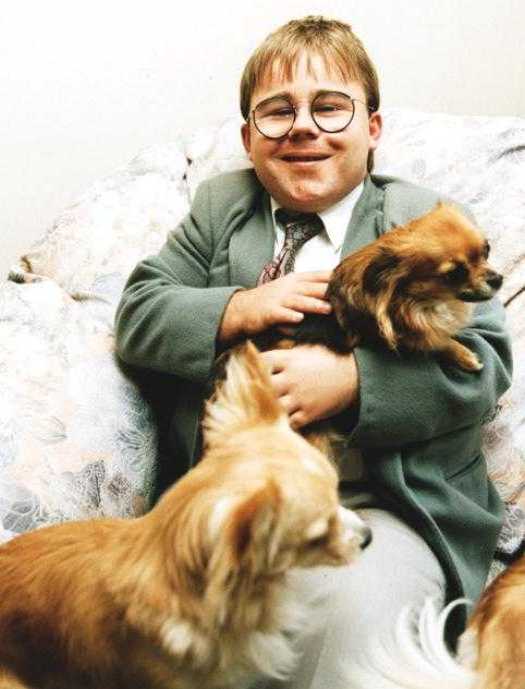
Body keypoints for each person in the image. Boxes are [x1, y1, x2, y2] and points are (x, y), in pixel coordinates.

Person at [114, 16, 512, 688]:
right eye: (276, 112)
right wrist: (235, 307)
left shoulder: (424, 219)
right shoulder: (220, 210)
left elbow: (485, 363)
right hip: (236, 501)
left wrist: (354, 381)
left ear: (373, 129)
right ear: (248, 138)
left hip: (380, 503)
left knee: (349, 633)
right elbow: (138, 311)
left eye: (330, 106)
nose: (303, 126)